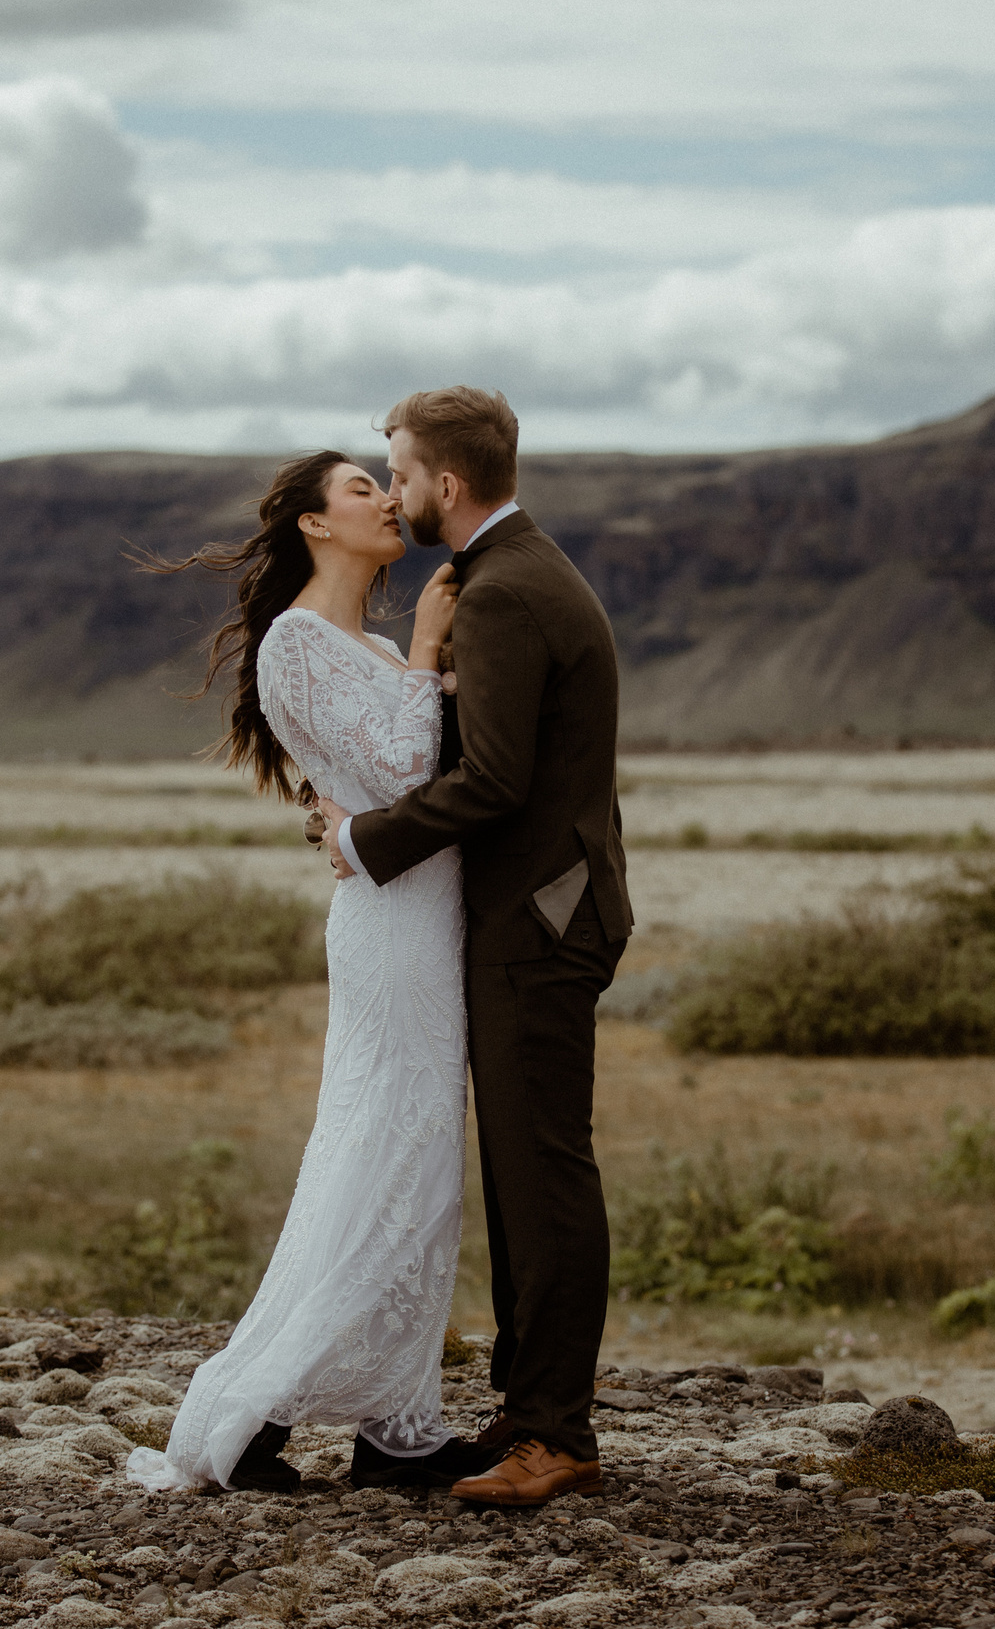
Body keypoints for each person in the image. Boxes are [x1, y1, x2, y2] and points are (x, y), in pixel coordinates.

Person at [125, 448, 493, 1494]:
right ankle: (257, 1416)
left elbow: (417, 779)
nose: (386, 498)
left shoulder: (367, 646)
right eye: (359, 488)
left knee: (421, 1161)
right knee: (385, 1143)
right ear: (314, 527)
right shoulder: (296, 645)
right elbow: (401, 773)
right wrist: (429, 649)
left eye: (386, 482)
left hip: (429, 913)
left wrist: (423, 667)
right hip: (390, 927)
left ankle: (397, 1424)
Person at [321, 385, 633, 1507]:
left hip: (539, 922)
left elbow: (495, 781)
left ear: (445, 483)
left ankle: (558, 1434)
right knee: (525, 1169)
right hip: (544, 914)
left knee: (543, 1173)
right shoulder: (513, 576)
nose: (393, 489)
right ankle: (530, 1404)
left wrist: (366, 841)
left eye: (397, 471)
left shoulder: (506, 592)